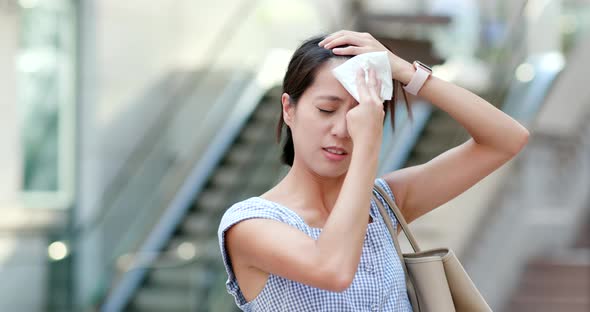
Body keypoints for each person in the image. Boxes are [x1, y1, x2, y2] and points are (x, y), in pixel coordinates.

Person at [217, 30, 529, 311]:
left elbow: (507, 140)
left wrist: (406, 71)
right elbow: (333, 269)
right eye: (326, 109)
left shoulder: (383, 202)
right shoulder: (250, 224)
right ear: (288, 109)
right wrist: (367, 144)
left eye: (361, 113)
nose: (343, 128)